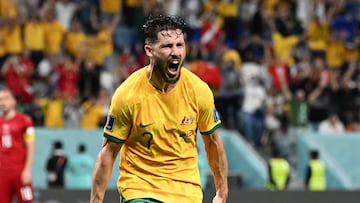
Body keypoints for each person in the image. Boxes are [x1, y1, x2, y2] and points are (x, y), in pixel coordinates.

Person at [90, 14, 228, 203]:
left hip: (186, 193)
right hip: (140, 190)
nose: (176, 52)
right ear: (149, 50)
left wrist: (221, 191)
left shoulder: (198, 91)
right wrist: (96, 201)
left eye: (180, 45)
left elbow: (212, 142)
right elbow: (108, 151)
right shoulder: (128, 95)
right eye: (167, 46)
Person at [0, 88, 36, 203]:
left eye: (6, 98)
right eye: (0, 99)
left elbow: (31, 146)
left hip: (20, 171)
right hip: (2, 173)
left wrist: (28, 170)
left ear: (14, 101)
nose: (2, 102)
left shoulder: (26, 121)